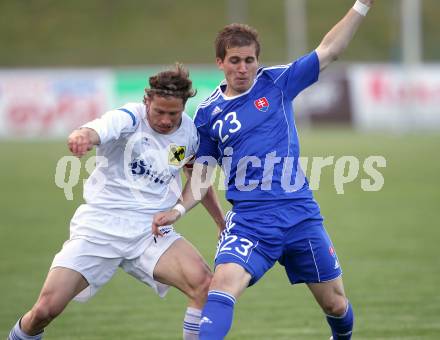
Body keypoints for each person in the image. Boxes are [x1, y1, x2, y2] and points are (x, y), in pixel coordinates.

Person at [152, 1, 374, 339]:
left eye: (249, 60)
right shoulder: (208, 115)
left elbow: (330, 50)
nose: (243, 68)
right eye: (235, 61)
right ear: (220, 63)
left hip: (299, 214)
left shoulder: (278, 83)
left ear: (258, 60)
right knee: (221, 287)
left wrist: (362, 4)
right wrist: (179, 209)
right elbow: (200, 174)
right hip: (251, 220)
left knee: (335, 304)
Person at [8, 64, 225, 340]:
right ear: (147, 101)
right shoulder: (130, 117)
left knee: (204, 285)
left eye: (174, 113)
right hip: (100, 227)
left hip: (150, 230)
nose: (167, 120)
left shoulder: (189, 133)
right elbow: (99, 128)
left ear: (184, 106)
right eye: (160, 112)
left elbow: (198, 178)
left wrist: (217, 219)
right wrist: (83, 136)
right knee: (44, 311)